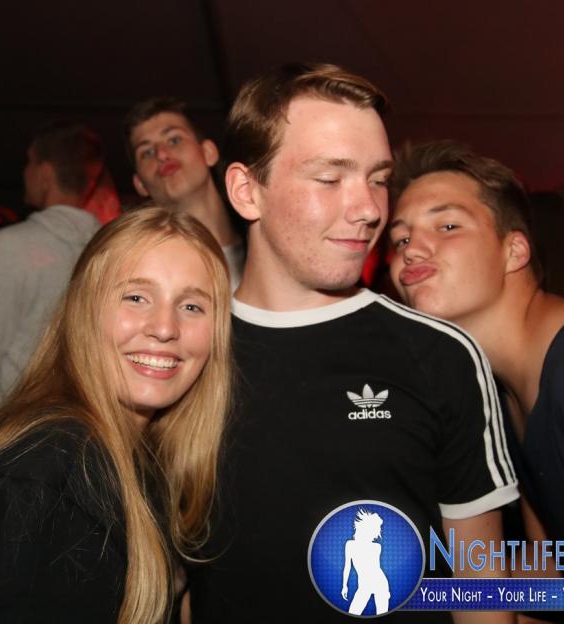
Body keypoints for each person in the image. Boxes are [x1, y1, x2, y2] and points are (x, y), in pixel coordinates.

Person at [188, 63, 517, 624]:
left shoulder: (441, 355)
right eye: (330, 177)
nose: (369, 209)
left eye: (378, 178)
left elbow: (481, 587)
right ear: (247, 192)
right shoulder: (184, 354)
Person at [0, 205, 232, 623]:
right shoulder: (53, 476)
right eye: (136, 297)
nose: (164, 327)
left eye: (192, 306)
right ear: (85, 309)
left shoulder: (137, 454)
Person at [388, 140, 564, 541]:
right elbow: (548, 564)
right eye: (401, 239)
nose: (411, 251)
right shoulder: (504, 394)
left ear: (514, 250)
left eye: (447, 226)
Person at [0, 122, 107, 460]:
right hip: (73, 444)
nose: (24, 173)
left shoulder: (13, 244)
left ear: (45, 174)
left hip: (1, 443)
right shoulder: (108, 251)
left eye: (28, 162)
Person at [124, 97, 244, 289]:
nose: (161, 154)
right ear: (140, 184)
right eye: (147, 152)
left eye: (174, 140)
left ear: (208, 153)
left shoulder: (266, 241)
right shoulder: (139, 271)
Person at [341, 509, 390, 616]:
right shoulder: (350, 545)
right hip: (364, 586)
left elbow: (375, 569)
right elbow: (347, 567)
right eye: (376, 529)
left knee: (382, 615)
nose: (377, 532)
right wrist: (344, 585)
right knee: (353, 613)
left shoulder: (377, 547)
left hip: (380, 583)